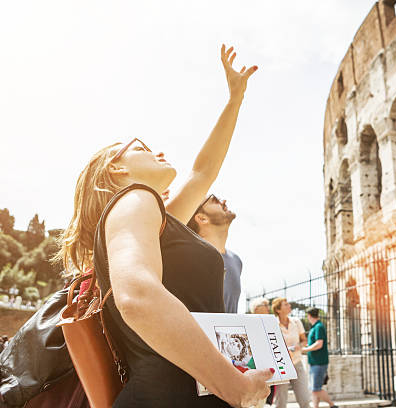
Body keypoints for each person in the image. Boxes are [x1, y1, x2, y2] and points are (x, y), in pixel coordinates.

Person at [54, 44, 272, 408]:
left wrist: (234, 99)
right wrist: (232, 386)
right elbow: (137, 296)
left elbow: (203, 171)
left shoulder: (154, 216)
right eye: (140, 146)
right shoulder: (134, 200)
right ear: (117, 169)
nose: (156, 151)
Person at [187, 194, 242, 313]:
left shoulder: (236, 260)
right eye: (215, 200)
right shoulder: (190, 260)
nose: (224, 201)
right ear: (202, 219)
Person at [271, 298, 310, 408]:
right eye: (286, 304)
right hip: (281, 365)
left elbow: (304, 340)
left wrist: (299, 346)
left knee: (305, 399)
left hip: (297, 363)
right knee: (281, 402)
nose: (289, 305)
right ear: (278, 310)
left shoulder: (296, 322)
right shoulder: (273, 324)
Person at [302, 308, 337, 408]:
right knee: (314, 389)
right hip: (314, 362)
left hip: (319, 362)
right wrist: (305, 347)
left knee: (315, 389)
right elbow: (314, 343)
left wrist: (305, 350)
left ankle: (332, 405)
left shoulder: (319, 327)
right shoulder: (315, 327)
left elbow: (319, 344)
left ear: (309, 316)